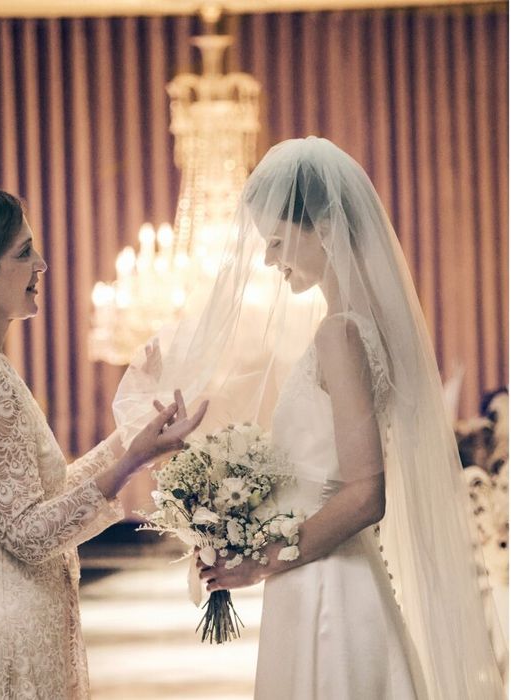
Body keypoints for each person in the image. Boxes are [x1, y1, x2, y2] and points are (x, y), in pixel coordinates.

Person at [114, 137, 505, 699]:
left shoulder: (340, 334)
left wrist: (259, 561)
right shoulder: (355, 327)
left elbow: (365, 494)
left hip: (331, 589)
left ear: (323, 228)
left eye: (276, 241)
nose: (269, 261)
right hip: (322, 572)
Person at [0, 186, 207, 700]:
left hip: (5, 617)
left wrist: (130, 442)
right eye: (24, 252)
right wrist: (130, 461)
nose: (41, 264)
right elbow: (28, 534)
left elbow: (40, 499)